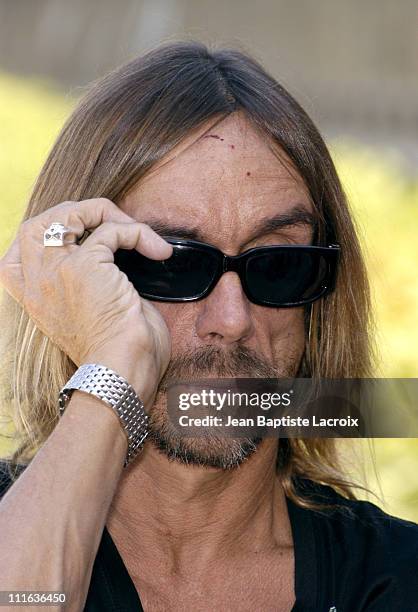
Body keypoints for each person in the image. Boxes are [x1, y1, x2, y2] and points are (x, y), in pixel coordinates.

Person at [0, 41, 417, 612]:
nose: (232, 320)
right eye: (172, 263)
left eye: (277, 265)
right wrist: (115, 373)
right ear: (69, 281)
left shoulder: (396, 580)